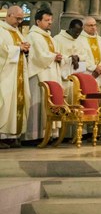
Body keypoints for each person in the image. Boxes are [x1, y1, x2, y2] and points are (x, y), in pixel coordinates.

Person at [24, 8, 63, 142]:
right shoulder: (32, 36)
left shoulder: (49, 37)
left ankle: (49, 134)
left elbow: (50, 54)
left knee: (49, 103)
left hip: (51, 74)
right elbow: (37, 57)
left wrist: (58, 56)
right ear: (38, 21)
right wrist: (54, 56)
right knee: (38, 104)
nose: (50, 23)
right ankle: (35, 135)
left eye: (51, 20)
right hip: (39, 75)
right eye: (47, 20)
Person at [0, 6, 31, 149]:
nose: (19, 21)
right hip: (5, 74)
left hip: (18, 74)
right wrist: (18, 48)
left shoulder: (17, 33)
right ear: (9, 15)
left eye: (21, 19)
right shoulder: (1, 30)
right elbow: (2, 51)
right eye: (18, 18)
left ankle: (12, 136)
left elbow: (21, 51)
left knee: (16, 102)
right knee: (5, 103)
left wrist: (25, 49)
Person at [53, 19, 84, 101]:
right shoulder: (57, 39)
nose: (77, 34)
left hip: (76, 76)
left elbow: (85, 56)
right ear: (70, 28)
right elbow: (55, 55)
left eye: (80, 32)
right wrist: (69, 58)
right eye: (76, 31)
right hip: (63, 76)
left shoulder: (80, 40)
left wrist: (77, 58)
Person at [77, 17, 101, 84]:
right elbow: (81, 57)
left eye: (94, 25)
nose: (93, 27)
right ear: (83, 26)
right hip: (87, 73)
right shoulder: (79, 40)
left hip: (100, 74)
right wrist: (94, 68)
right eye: (90, 25)